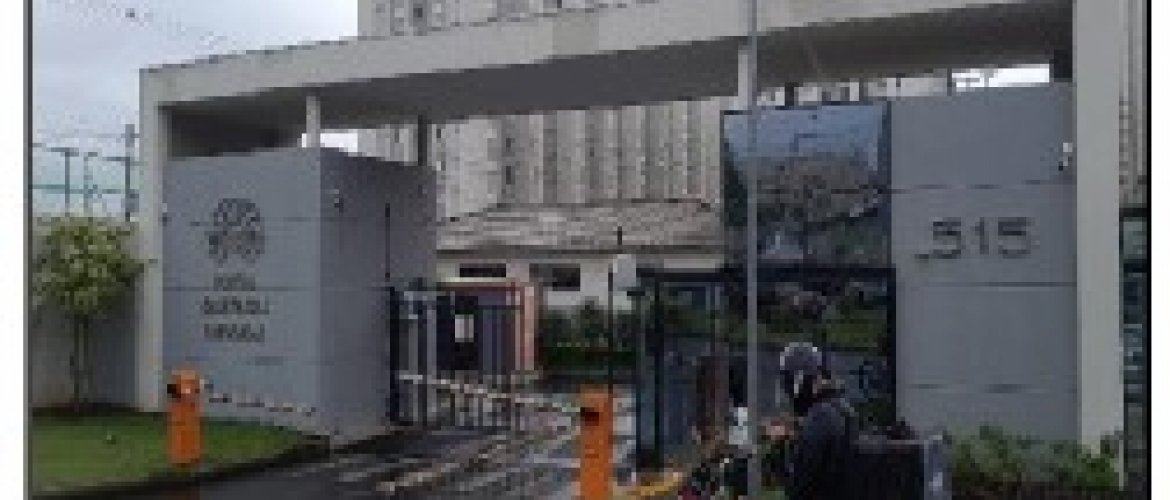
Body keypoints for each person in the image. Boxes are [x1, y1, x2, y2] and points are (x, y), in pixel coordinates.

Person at [775, 343, 859, 500]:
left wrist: (782, 447)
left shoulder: (820, 418)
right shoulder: (844, 409)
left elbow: (798, 486)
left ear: (799, 380)